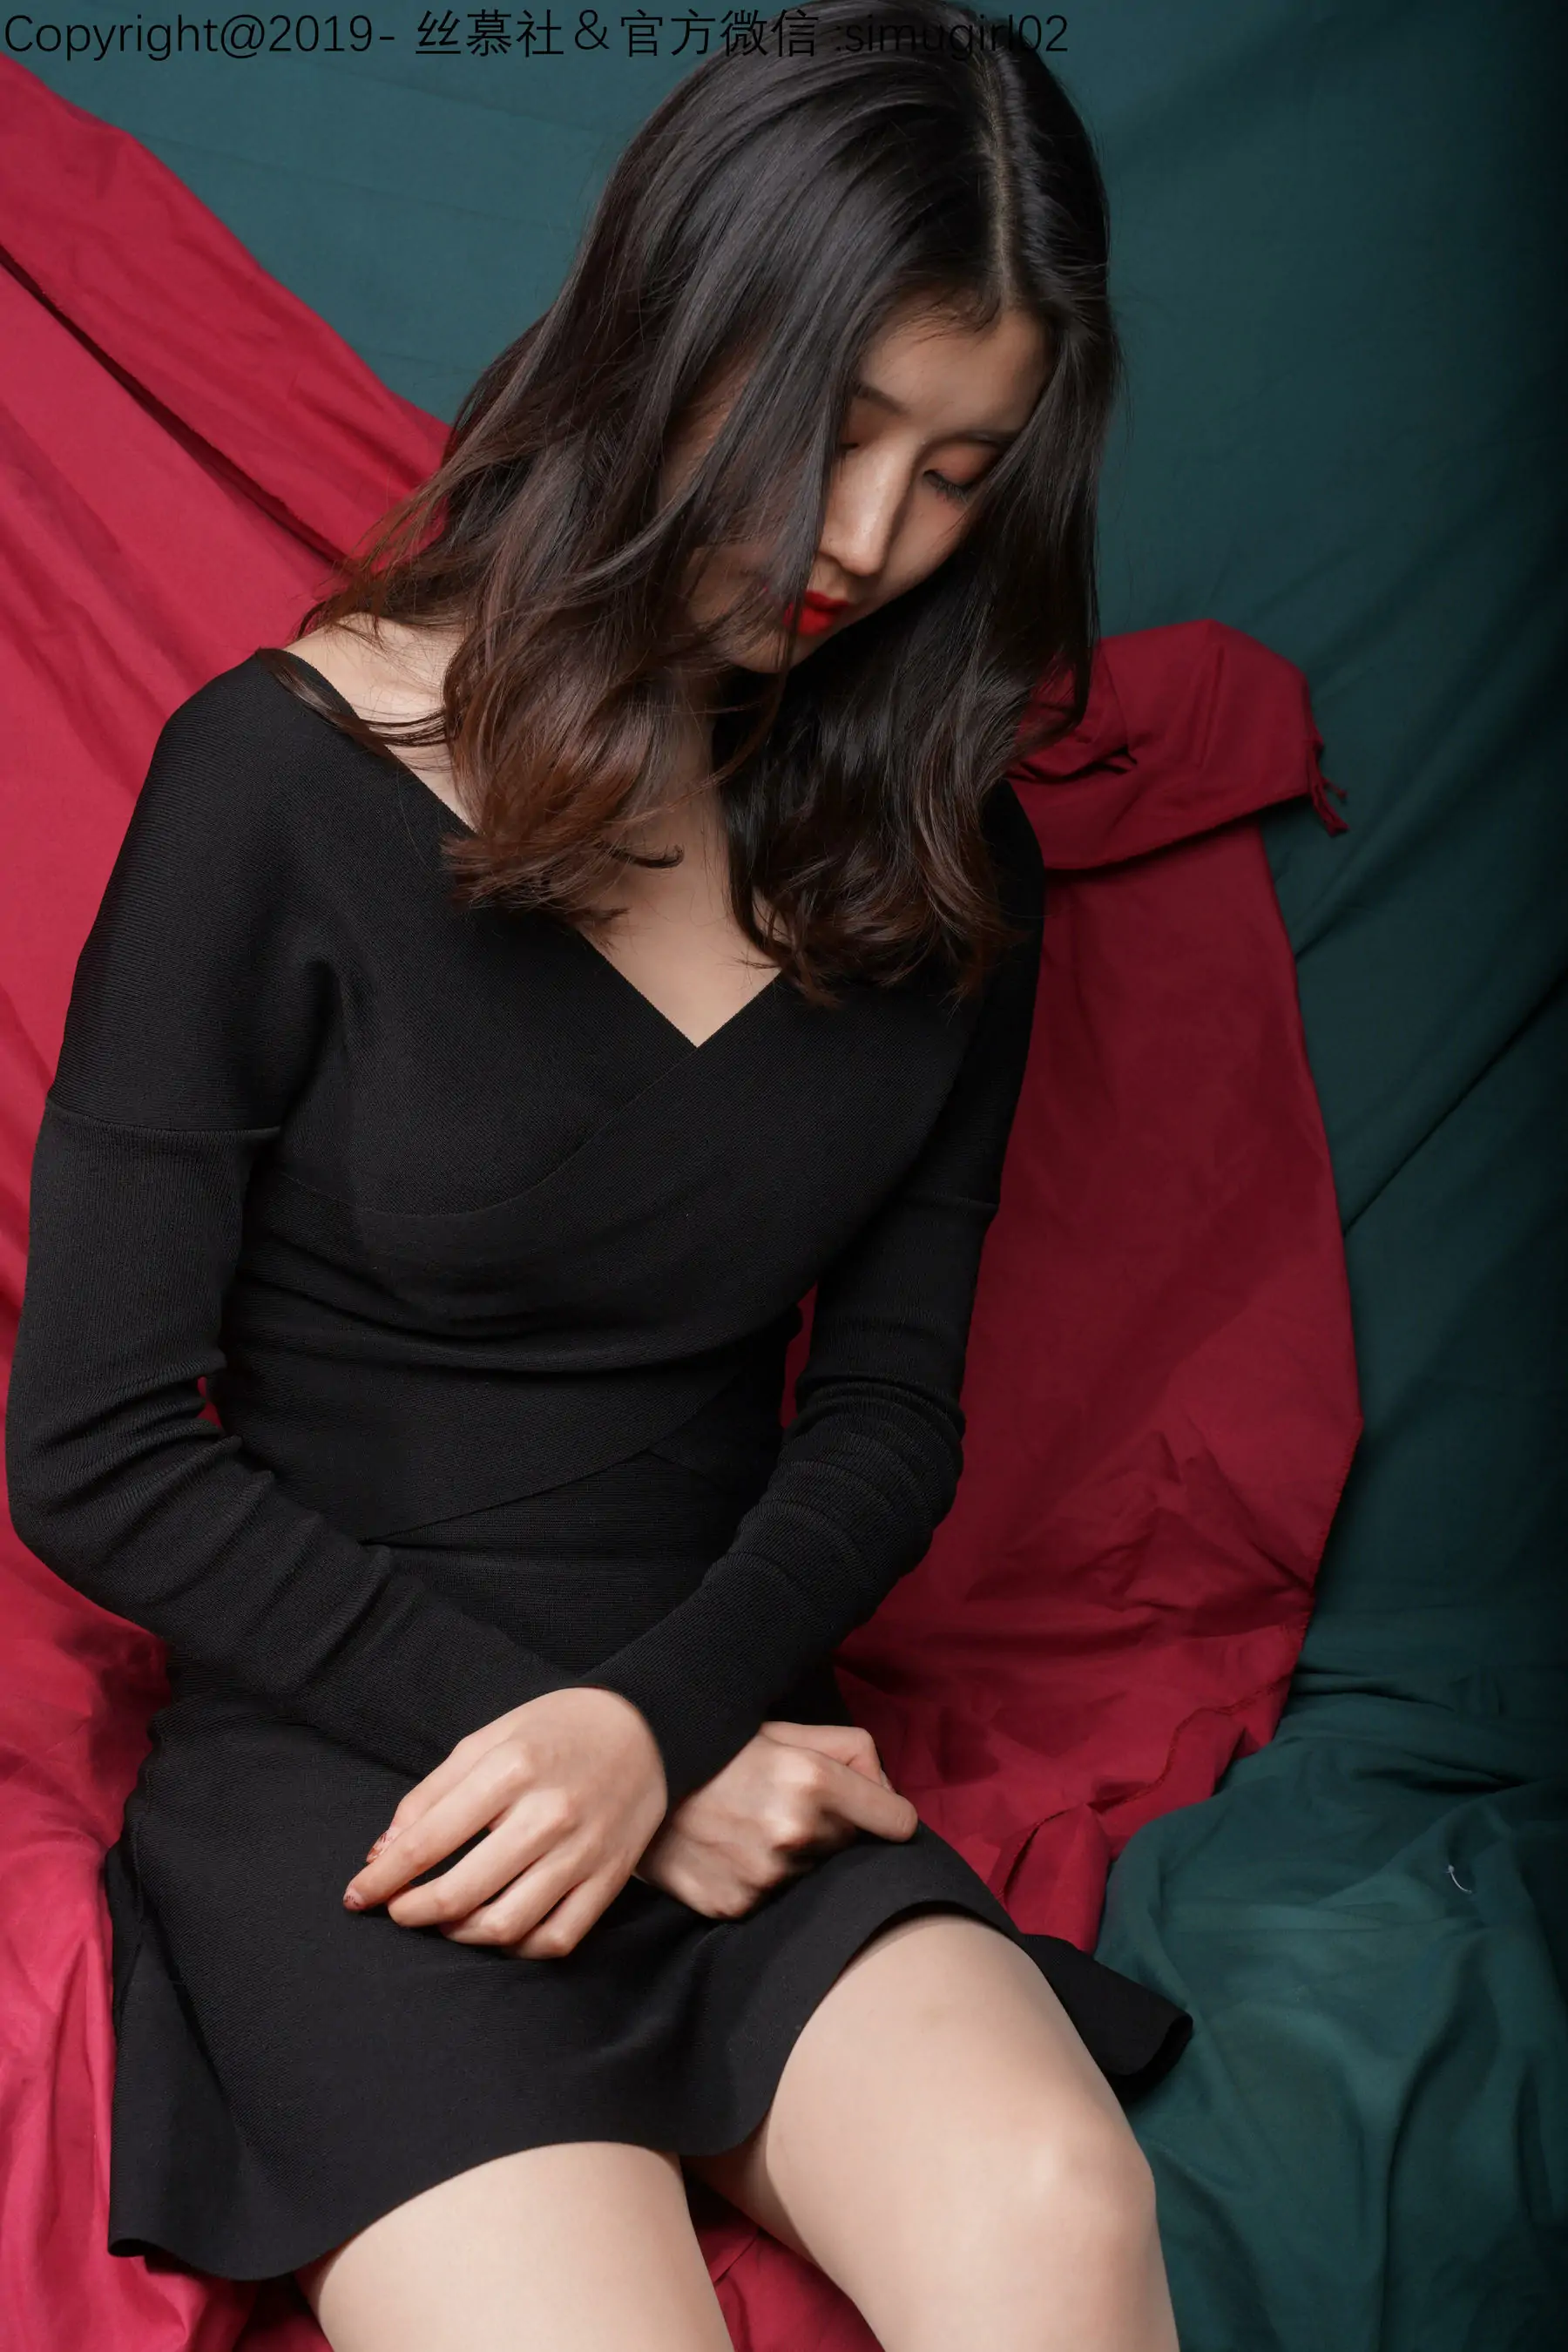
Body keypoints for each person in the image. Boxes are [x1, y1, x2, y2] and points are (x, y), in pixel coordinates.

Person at [5, 4, 1190, 2345]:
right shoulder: (276, 782)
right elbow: (95, 1448)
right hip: (369, 1773)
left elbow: (886, 1419)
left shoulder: (947, 858)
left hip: (730, 1732)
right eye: (836, 427)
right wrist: (599, 1747)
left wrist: (665, 1726)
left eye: (960, 472)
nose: (870, 537)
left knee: (1063, 2213)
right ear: (677, 328)